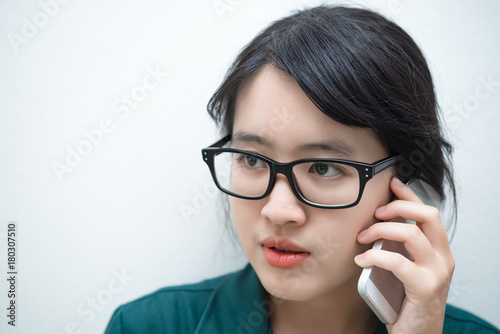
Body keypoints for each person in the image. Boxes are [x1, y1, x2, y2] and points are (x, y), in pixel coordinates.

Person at [105, 5, 499, 334]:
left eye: (324, 167)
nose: (277, 210)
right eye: (253, 160)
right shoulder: (146, 326)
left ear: (410, 189)